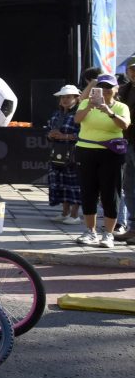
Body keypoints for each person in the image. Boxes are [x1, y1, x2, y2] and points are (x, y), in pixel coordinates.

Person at [73, 74, 130, 248]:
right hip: (86, 150)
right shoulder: (85, 103)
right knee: (88, 192)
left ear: (116, 89)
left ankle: (109, 234)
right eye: (102, 87)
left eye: (109, 87)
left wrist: (109, 112)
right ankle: (91, 231)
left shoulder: (121, 107)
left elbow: (124, 125)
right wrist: (89, 106)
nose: (105, 90)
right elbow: (77, 119)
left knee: (110, 193)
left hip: (111, 153)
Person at [46, 85, 82, 226]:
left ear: (76, 98)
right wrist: (50, 135)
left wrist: (65, 136)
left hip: (74, 153)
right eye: (63, 97)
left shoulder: (79, 114)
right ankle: (64, 212)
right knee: (60, 182)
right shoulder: (57, 114)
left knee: (74, 183)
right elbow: (49, 130)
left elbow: (83, 134)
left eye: (68, 97)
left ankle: (75, 215)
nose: (65, 100)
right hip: (58, 152)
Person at [116, 59, 135, 244]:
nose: (133, 72)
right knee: (128, 187)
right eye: (131, 69)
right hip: (128, 142)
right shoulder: (125, 89)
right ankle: (132, 228)